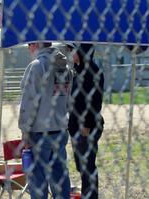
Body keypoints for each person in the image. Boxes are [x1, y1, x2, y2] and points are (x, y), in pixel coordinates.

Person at [18, 41, 71, 199]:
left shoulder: (37, 66)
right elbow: (69, 100)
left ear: (35, 45)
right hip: (60, 129)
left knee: (38, 181)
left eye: (29, 46)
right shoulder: (65, 68)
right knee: (60, 177)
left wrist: (25, 130)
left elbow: (29, 101)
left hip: (40, 132)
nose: (29, 50)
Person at [68, 44, 104, 199]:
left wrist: (86, 125)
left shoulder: (91, 72)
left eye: (73, 50)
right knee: (82, 167)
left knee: (87, 167)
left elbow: (94, 102)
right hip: (77, 127)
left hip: (86, 128)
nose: (71, 53)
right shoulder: (78, 70)